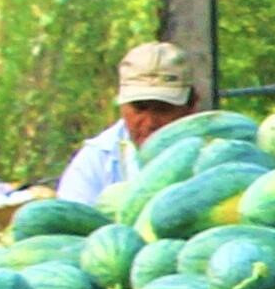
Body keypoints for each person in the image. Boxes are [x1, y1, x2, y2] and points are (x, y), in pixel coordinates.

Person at [52, 40, 200, 207]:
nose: (150, 122)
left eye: (163, 109)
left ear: (192, 105)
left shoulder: (213, 154)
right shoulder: (98, 160)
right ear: (122, 106)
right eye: (139, 108)